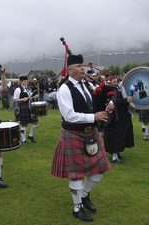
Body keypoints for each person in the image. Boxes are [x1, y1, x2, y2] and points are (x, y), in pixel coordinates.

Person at [51, 54, 113, 222]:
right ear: (69, 70)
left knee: (101, 168)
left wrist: (107, 106)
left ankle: (84, 194)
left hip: (90, 133)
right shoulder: (64, 89)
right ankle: (77, 208)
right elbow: (69, 115)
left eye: (82, 65)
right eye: (78, 66)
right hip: (73, 134)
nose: (82, 68)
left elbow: (91, 104)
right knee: (76, 174)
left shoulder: (85, 84)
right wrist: (94, 117)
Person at [103, 76, 134, 164]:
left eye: (115, 79)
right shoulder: (110, 90)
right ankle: (114, 157)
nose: (115, 80)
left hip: (122, 116)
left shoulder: (118, 88)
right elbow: (113, 103)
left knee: (121, 135)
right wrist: (126, 101)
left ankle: (117, 153)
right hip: (115, 117)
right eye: (112, 79)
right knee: (116, 136)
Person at [13, 75, 39, 144]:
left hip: (30, 107)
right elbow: (15, 100)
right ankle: (23, 139)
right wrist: (22, 99)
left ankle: (30, 135)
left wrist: (34, 97)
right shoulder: (18, 89)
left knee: (35, 121)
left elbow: (30, 97)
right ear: (21, 82)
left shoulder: (28, 88)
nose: (26, 82)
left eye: (26, 81)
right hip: (22, 107)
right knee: (24, 124)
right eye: (25, 81)